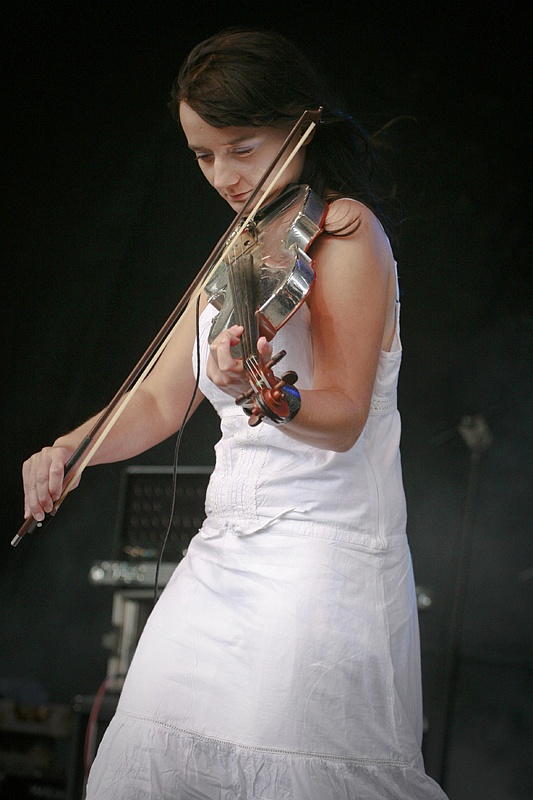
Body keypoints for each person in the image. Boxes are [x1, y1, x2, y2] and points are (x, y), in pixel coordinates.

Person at [22, 27, 449, 800]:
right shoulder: (241, 250)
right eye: (201, 155)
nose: (222, 174)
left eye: (240, 148)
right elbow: (157, 400)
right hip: (221, 557)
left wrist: (265, 394)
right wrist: (66, 448)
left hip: (319, 559)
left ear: (300, 125)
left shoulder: (344, 233)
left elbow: (344, 413)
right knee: (141, 769)